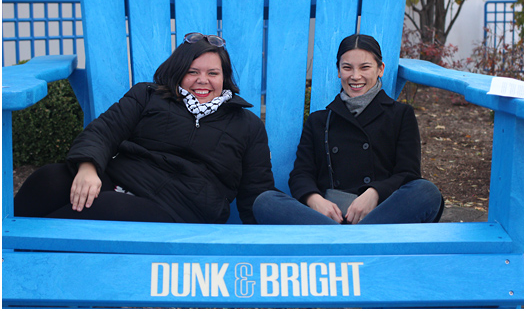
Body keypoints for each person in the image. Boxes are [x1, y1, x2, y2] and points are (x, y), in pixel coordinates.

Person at [15, 32, 276, 224]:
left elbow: (256, 191)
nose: (202, 81)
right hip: (122, 180)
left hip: (182, 208)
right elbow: (105, 130)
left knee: (106, 208)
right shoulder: (148, 96)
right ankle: (10, 250)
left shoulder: (247, 125)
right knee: (49, 180)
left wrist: (258, 246)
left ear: (225, 78)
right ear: (177, 72)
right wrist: (88, 167)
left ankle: (25, 264)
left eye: (213, 73)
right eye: (192, 71)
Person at [253, 34, 443, 225]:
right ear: (338, 71)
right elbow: (301, 174)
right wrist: (315, 201)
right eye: (347, 68)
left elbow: (408, 174)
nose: (355, 76)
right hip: (329, 217)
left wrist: (374, 193)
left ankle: (342, 242)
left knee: (426, 192)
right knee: (265, 202)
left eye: (365, 67)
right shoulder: (319, 120)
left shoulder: (400, 115)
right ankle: (348, 240)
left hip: (381, 216)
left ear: (380, 69)